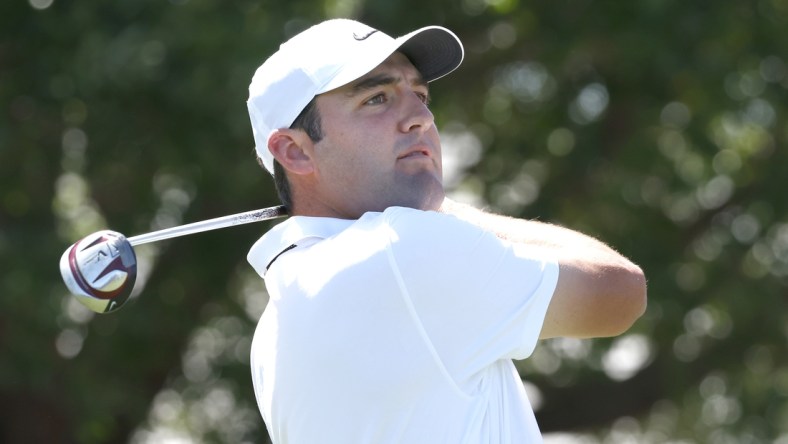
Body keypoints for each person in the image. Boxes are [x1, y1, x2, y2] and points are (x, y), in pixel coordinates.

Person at [245, 18, 647, 443]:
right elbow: (619, 292)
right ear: (294, 150)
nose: (420, 118)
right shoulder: (400, 250)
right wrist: (442, 208)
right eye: (377, 98)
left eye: (419, 95)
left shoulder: (273, 326)